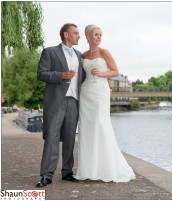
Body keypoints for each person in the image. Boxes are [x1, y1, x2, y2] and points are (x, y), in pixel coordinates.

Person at [75, 24, 135, 182]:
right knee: (87, 128)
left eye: (100, 35)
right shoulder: (83, 55)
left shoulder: (104, 52)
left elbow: (115, 71)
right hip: (86, 92)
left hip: (100, 93)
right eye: (96, 34)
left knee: (101, 125)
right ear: (88, 36)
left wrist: (102, 74)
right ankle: (88, 169)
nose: (99, 37)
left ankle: (106, 168)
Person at [36, 23, 84, 187]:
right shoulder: (49, 52)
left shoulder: (79, 55)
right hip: (56, 101)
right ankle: (46, 175)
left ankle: (67, 172)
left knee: (70, 137)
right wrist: (61, 75)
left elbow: (83, 80)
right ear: (66, 34)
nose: (79, 36)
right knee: (52, 137)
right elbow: (41, 74)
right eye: (76, 33)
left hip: (74, 101)